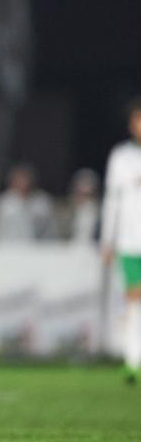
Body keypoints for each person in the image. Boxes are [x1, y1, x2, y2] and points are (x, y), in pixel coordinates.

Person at [101, 96, 141, 384]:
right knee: (134, 301)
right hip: (130, 242)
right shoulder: (121, 157)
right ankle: (132, 360)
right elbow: (112, 202)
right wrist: (107, 240)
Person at [0, 164, 58, 241]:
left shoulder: (42, 202)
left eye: (26, 179)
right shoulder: (2, 203)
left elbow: (50, 230)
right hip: (9, 248)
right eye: (20, 179)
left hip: (38, 249)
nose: (24, 183)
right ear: (12, 181)